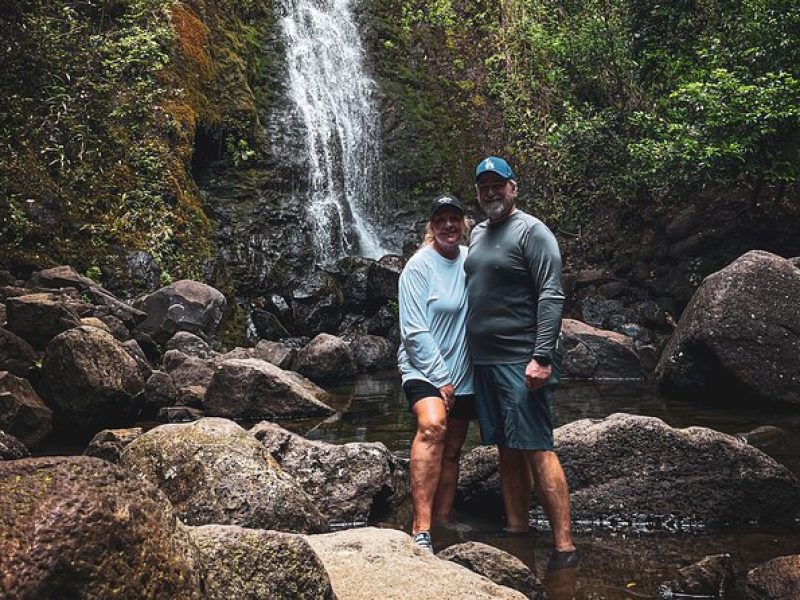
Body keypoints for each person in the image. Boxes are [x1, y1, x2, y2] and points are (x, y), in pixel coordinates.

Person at [464, 156, 579, 570]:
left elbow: (551, 295)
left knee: (536, 446)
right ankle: (518, 532)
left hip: (522, 357)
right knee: (506, 448)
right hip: (486, 361)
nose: (491, 192)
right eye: (484, 187)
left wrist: (542, 356)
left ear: (514, 188)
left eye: (499, 185)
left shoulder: (532, 231)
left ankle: (564, 547)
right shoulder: (477, 233)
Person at [397, 195, 475, 553]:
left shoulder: (470, 261)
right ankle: (422, 528)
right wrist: (441, 377)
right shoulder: (418, 267)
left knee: (454, 448)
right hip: (423, 366)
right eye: (441, 219)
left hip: (464, 370)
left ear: (463, 224)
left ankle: (444, 520)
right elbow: (414, 331)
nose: (448, 225)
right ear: (431, 226)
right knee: (432, 426)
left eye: (454, 219)